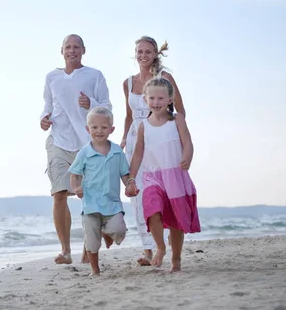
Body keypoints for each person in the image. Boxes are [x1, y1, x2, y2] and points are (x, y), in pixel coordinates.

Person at [40, 34, 112, 265]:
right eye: (68, 47)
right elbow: (48, 105)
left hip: (87, 144)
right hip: (59, 141)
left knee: (89, 197)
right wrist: (43, 118)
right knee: (59, 194)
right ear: (61, 50)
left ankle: (88, 247)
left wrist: (91, 103)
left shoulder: (94, 75)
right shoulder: (52, 77)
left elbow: (107, 107)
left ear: (83, 50)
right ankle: (65, 250)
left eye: (76, 47)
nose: (72, 51)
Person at [120, 36, 186, 266]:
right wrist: (122, 139)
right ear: (135, 53)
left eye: (148, 51)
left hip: (159, 137)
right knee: (138, 193)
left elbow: (180, 111)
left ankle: (168, 241)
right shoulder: (127, 83)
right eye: (140, 51)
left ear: (156, 54)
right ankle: (148, 248)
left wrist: (176, 138)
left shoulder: (164, 78)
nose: (143, 55)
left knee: (165, 190)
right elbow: (128, 116)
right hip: (134, 140)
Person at [128, 77, 200, 272]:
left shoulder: (177, 120)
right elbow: (137, 154)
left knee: (177, 220)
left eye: (161, 98)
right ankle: (160, 246)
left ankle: (176, 258)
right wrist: (131, 179)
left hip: (175, 176)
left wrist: (187, 157)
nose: (156, 102)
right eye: (152, 98)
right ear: (145, 99)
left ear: (170, 100)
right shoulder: (143, 125)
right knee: (152, 210)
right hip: (153, 177)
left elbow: (188, 142)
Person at [69, 107, 139, 276]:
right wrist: (76, 187)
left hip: (112, 203)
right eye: (94, 127)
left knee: (119, 230)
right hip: (91, 204)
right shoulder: (84, 152)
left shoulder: (116, 152)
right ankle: (95, 269)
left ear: (111, 129)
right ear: (88, 129)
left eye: (103, 127)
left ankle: (107, 233)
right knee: (92, 241)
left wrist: (129, 184)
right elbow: (75, 174)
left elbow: (124, 173)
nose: (99, 131)